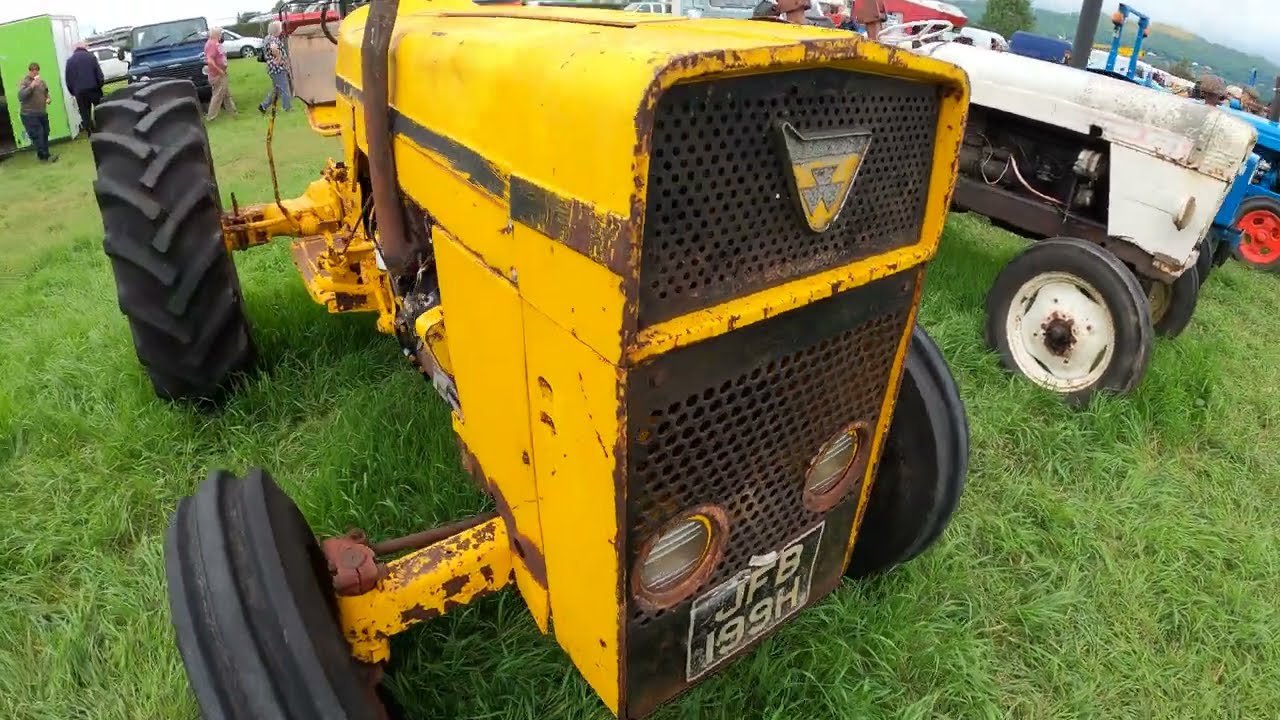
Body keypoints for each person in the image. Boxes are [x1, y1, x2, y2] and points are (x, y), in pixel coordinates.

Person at [17, 62, 57, 163]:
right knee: (38, 134)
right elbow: (21, 96)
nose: (36, 74)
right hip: (29, 114)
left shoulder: (42, 82)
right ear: (29, 71)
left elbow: (46, 93)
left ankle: (43, 154)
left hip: (42, 113)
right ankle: (45, 156)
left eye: (37, 72)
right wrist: (31, 86)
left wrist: (48, 98)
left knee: (45, 132)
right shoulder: (24, 82)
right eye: (34, 72)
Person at [65, 42, 105, 136]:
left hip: (79, 92)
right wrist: (99, 85)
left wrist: (73, 91)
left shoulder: (70, 61)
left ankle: (90, 131)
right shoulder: (91, 57)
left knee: (84, 112)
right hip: (94, 89)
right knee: (99, 108)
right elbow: (99, 74)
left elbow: (68, 79)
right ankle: (102, 126)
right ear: (84, 48)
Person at [258, 20, 292, 114]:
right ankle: (287, 108)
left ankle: (263, 106)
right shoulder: (274, 39)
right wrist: (279, 57)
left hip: (272, 68)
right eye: (280, 28)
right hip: (277, 68)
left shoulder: (267, 38)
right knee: (284, 88)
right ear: (277, 29)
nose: (281, 30)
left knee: (277, 89)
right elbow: (274, 48)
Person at [204, 27, 237, 121]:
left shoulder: (215, 43)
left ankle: (233, 112)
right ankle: (211, 116)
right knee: (218, 95)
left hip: (221, 73)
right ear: (216, 34)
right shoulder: (211, 44)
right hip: (217, 74)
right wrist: (219, 71)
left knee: (226, 94)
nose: (221, 35)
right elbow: (210, 61)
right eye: (220, 33)